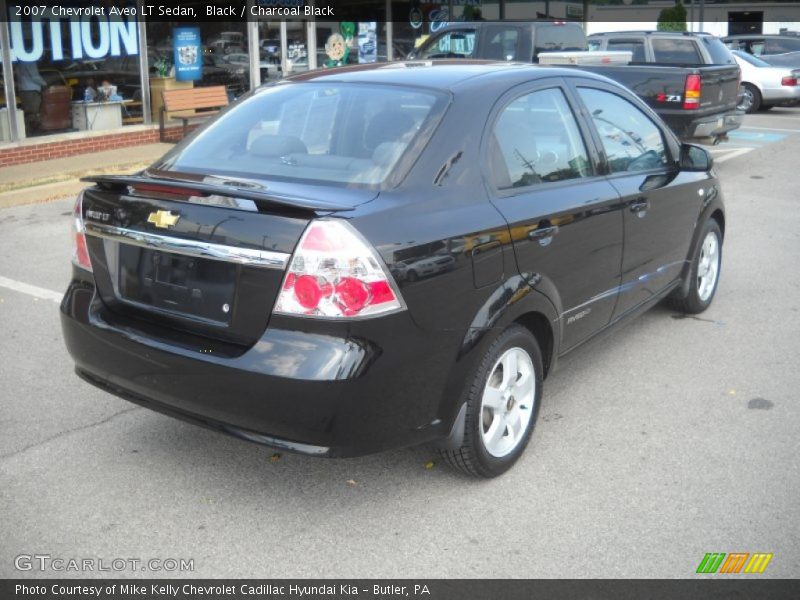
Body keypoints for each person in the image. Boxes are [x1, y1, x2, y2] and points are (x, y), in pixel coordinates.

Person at [15, 61, 47, 132]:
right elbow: (34, 76)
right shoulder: (29, 61)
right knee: (32, 112)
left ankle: (28, 130)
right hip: (31, 90)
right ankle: (33, 131)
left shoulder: (19, 63)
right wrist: (44, 83)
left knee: (28, 112)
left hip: (23, 90)